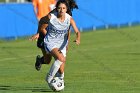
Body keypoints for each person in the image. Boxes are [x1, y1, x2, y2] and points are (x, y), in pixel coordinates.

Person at [37, 0, 80, 87]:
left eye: (64, 8)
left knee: (61, 69)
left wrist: (67, 43)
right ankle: (46, 73)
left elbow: (68, 30)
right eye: (60, 8)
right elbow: (42, 22)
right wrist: (39, 34)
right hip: (46, 37)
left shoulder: (69, 16)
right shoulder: (53, 14)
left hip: (60, 42)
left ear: (67, 7)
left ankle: (58, 84)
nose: (61, 10)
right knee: (49, 60)